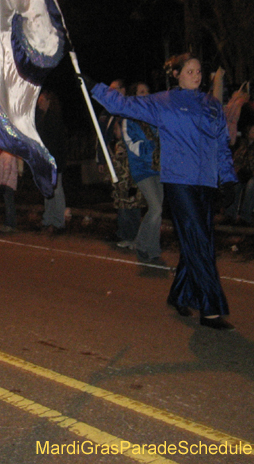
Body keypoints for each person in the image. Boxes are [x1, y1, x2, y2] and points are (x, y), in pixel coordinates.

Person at [84, 54, 237, 330]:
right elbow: (124, 104)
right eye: (189, 70)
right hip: (179, 181)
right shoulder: (164, 102)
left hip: (206, 184)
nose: (196, 75)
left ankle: (181, 293)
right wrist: (95, 87)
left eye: (199, 71)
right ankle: (210, 308)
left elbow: (222, 145)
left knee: (199, 241)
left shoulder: (212, 105)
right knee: (200, 241)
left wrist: (228, 179)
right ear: (177, 75)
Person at [122, 83, 165, 264]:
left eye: (147, 91)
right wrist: (155, 147)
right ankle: (140, 243)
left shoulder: (154, 116)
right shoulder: (128, 119)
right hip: (142, 169)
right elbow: (134, 146)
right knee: (156, 208)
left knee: (157, 210)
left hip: (158, 168)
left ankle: (152, 249)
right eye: (141, 92)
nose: (146, 94)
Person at [35, 89, 68, 234]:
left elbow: (54, 143)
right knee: (47, 191)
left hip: (54, 161)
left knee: (56, 191)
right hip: (46, 161)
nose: (39, 103)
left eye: (41, 100)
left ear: (49, 102)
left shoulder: (53, 118)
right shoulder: (42, 117)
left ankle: (58, 221)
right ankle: (48, 219)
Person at [0, 149, 22, 234]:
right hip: (6, 183)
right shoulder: (3, 154)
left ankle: (10, 224)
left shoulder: (7, 154)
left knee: (9, 204)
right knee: (8, 203)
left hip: (7, 183)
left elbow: (7, 169)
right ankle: (10, 223)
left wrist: (3, 183)